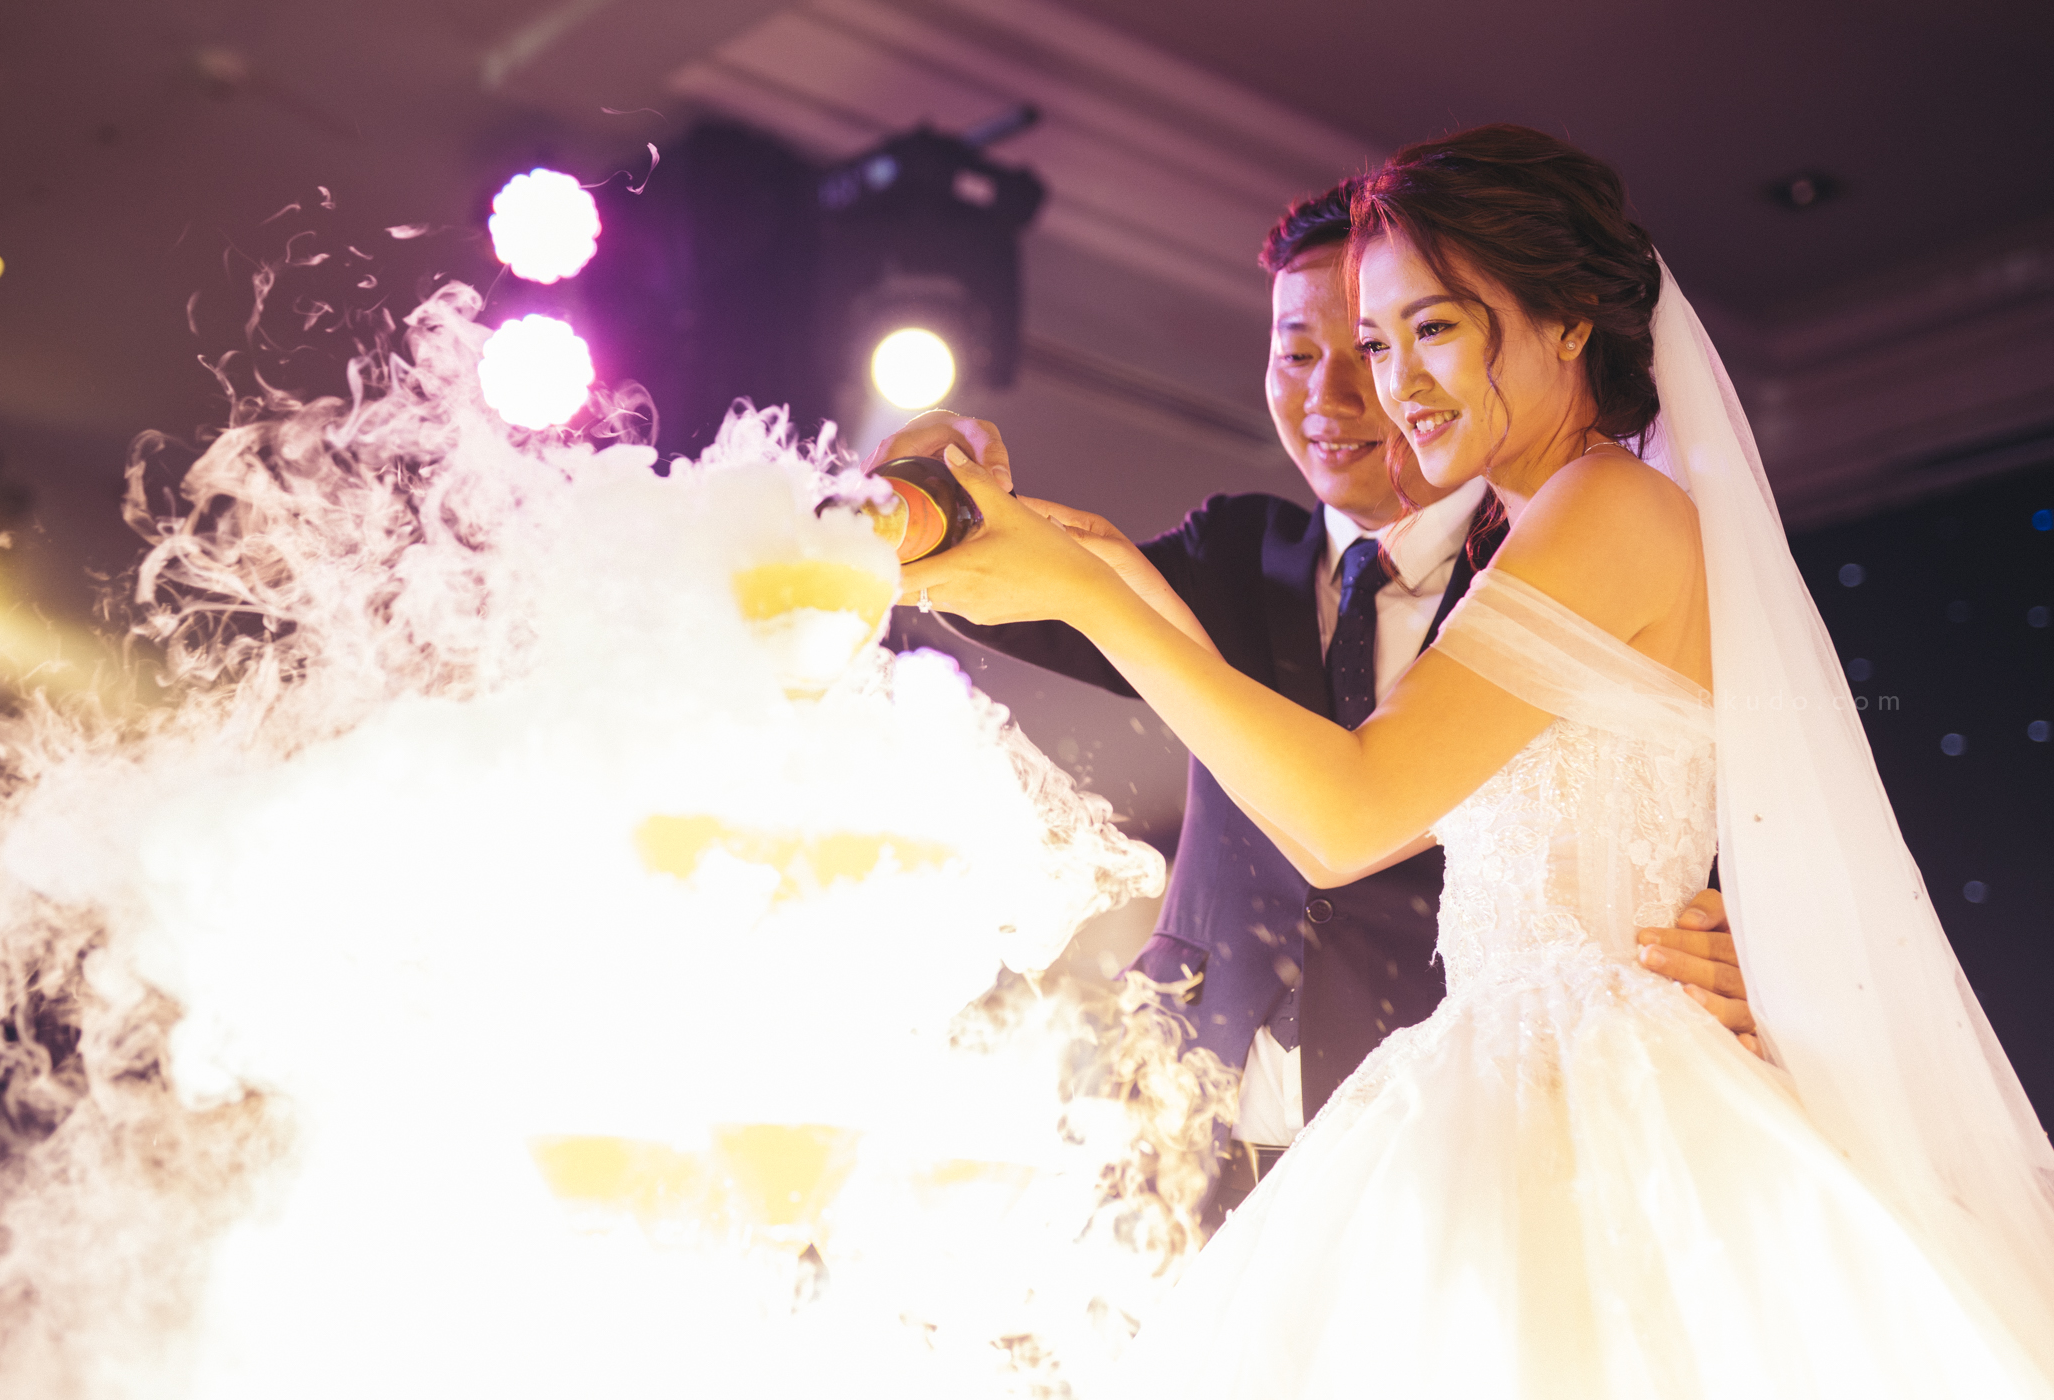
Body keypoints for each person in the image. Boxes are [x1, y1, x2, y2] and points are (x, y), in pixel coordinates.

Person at [903, 126, 2054, 1395]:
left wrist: (1092, 593)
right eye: (1375, 342)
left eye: (1434, 330)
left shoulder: (1608, 508)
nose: (1394, 383)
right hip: (1510, 1069)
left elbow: (1352, 816)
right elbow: (1371, 796)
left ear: (1568, 322)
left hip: (1582, 1094)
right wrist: (1078, 564)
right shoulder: (1550, 525)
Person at [874, 184, 1751, 1225]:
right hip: (1190, 1125)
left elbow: (1719, 801)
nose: (1339, 391)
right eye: (1301, 351)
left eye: (1415, 336)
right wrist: (925, 483)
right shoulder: (1235, 551)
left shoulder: (1564, 554)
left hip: (1453, 1135)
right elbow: (1000, 589)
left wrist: (1768, 951)